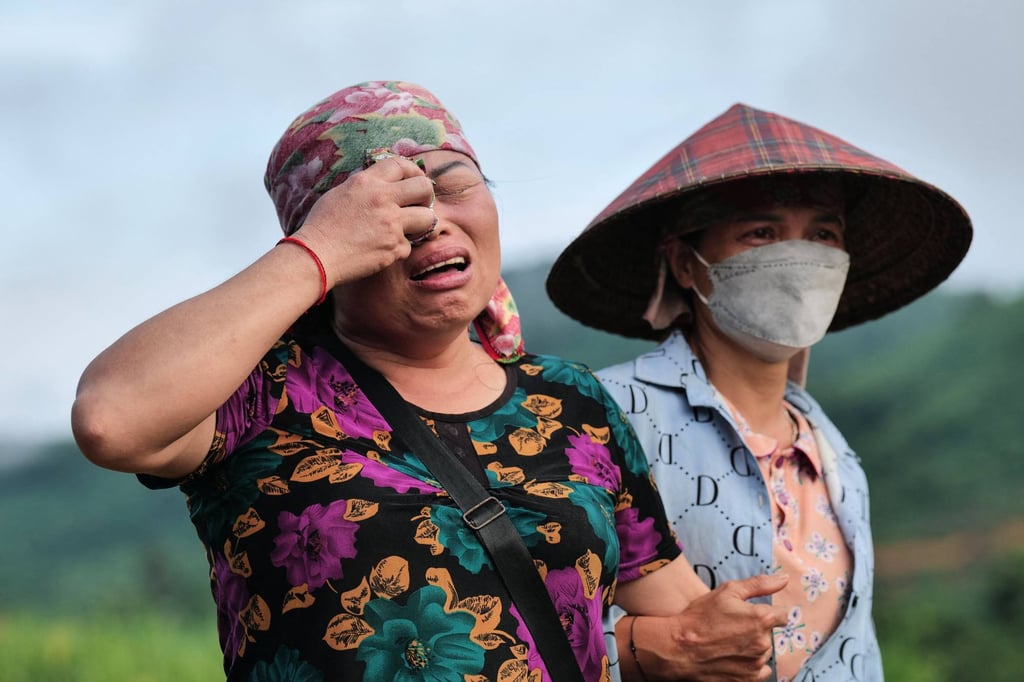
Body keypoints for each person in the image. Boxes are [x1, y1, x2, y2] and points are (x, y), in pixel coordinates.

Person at [70, 80, 714, 681]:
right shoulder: (264, 392)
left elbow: (670, 605)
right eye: (383, 209)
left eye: (452, 184)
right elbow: (110, 420)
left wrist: (729, 628)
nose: (427, 220)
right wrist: (317, 251)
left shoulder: (571, 400)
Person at [546, 103, 973, 681]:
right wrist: (654, 646)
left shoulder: (829, 447)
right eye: (761, 233)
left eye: (823, 234)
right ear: (686, 264)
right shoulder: (600, 414)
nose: (798, 256)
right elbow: (526, 624)